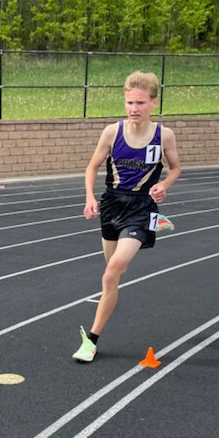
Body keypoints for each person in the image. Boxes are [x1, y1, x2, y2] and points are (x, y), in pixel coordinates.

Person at [72, 71, 181, 363]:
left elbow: (176, 168)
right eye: (130, 102)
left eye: (141, 103)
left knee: (110, 273)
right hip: (112, 204)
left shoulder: (164, 135)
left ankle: (91, 341)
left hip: (141, 206)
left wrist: (163, 185)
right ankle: (155, 226)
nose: (134, 108)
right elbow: (92, 167)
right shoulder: (112, 132)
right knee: (114, 274)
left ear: (153, 103)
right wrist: (90, 197)